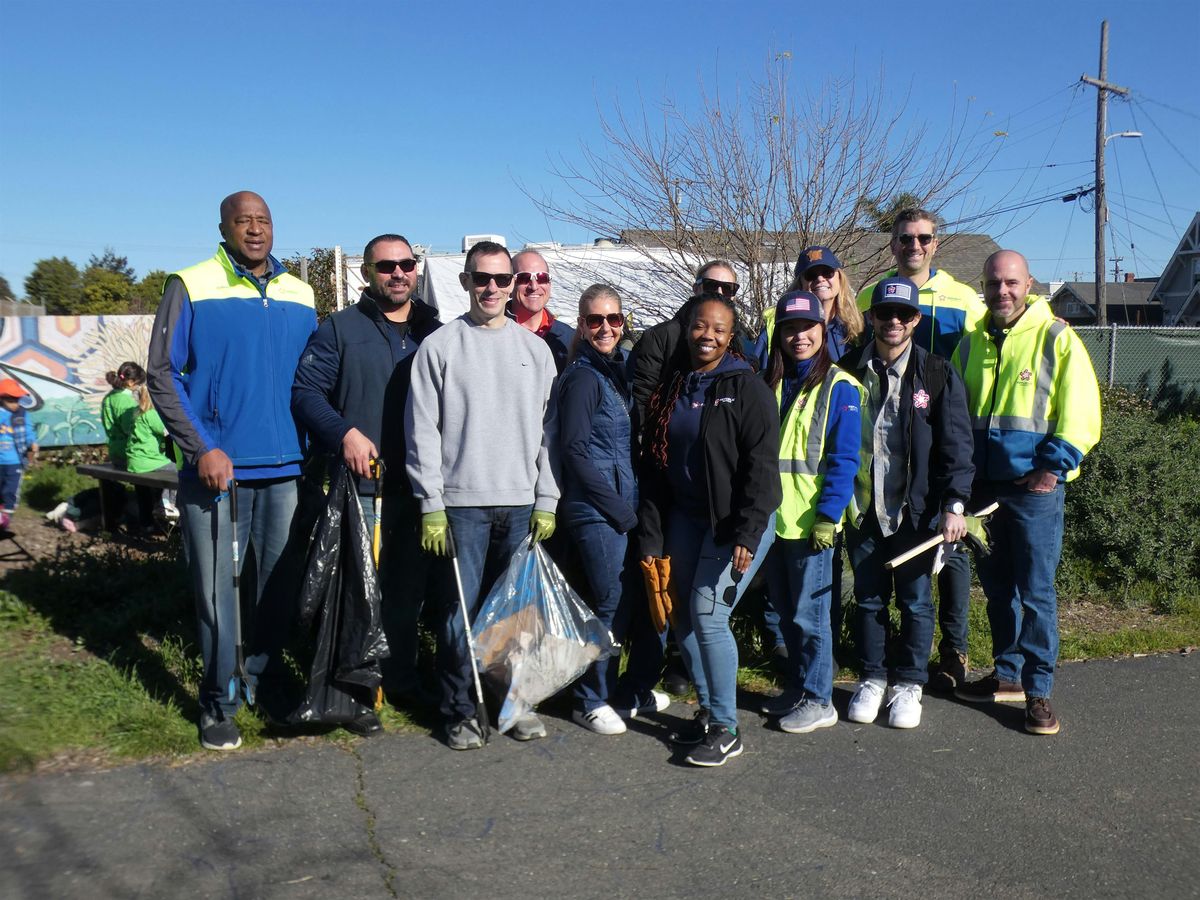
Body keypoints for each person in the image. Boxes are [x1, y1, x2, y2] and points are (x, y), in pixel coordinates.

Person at [147, 191, 317, 752]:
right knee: (217, 590)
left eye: (264, 219)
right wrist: (201, 449)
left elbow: (311, 381)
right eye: (243, 220)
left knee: (274, 587)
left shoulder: (301, 292)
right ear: (223, 227)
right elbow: (162, 374)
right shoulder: (190, 284)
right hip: (217, 469)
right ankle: (217, 701)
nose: (254, 229)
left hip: (286, 465)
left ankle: (263, 683)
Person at [405, 240, 560, 750]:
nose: (491, 287)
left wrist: (546, 499)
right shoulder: (440, 347)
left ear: (514, 284)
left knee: (515, 618)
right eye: (481, 278)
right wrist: (430, 504)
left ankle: (514, 707)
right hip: (461, 507)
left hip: (519, 506)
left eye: (501, 279)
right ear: (465, 281)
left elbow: (548, 435)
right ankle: (459, 711)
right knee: (458, 618)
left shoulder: (535, 352)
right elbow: (422, 430)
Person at [292, 233, 442, 724]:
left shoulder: (434, 332)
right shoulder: (339, 329)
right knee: (360, 596)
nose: (398, 274)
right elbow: (306, 393)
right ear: (367, 273)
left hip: (419, 488)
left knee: (406, 595)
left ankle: (400, 681)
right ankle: (355, 690)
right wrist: (345, 434)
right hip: (364, 489)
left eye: (406, 264)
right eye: (386, 267)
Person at [953, 251, 1101, 736]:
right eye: (994, 283)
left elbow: (1082, 414)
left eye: (1012, 283)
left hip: (1035, 491)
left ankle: (1039, 693)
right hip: (984, 488)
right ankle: (1007, 674)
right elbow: (957, 416)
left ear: (1029, 283)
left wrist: (1051, 470)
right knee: (997, 590)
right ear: (984, 285)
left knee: (1035, 592)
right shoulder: (971, 342)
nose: (1003, 292)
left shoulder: (1056, 336)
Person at [639, 293, 781, 767]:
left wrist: (749, 531)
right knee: (681, 614)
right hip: (685, 516)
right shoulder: (677, 383)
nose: (708, 336)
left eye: (720, 329)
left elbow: (762, 469)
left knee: (708, 614)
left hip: (734, 521)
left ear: (730, 335)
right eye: (701, 326)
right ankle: (708, 710)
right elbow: (658, 461)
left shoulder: (747, 388)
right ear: (687, 327)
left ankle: (725, 726)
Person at [856, 209, 988, 692]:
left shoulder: (962, 299)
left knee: (940, 576)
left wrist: (955, 496)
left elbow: (993, 332)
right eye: (905, 238)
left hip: (934, 467)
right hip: (881, 485)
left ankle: (950, 655)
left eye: (923, 237)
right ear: (892, 244)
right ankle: (877, 671)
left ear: (936, 243)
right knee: (875, 590)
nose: (914, 244)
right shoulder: (871, 298)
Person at [841, 277, 975, 729]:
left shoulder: (936, 373)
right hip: (862, 511)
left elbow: (956, 446)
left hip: (914, 513)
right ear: (871, 317)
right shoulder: (847, 370)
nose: (893, 322)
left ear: (916, 320)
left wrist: (954, 504)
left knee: (916, 603)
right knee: (869, 601)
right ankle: (873, 677)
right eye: (884, 313)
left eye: (903, 314)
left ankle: (909, 685)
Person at [630, 260, 747, 693]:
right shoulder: (661, 338)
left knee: (702, 600)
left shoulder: (739, 353)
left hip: (714, 490)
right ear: (696, 287)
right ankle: (650, 671)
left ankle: (700, 681)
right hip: (665, 478)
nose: (720, 292)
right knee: (663, 582)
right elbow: (642, 402)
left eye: (729, 289)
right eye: (712, 285)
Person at [557, 284, 667, 735]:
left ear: (625, 324)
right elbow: (575, 451)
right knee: (608, 602)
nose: (606, 328)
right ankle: (588, 698)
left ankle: (625, 691)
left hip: (624, 501)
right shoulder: (584, 376)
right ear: (581, 326)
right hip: (596, 509)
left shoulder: (617, 370)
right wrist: (621, 511)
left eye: (614, 320)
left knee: (632, 601)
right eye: (595, 320)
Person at [758, 291, 861, 734]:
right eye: (790, 328)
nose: (799, 336)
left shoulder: (841, 387)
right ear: (779, 333)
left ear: (823, 330)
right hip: (775, 522)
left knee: (811, 617)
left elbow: (844, 458)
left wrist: (829, 515)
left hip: (810, 523)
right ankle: (800, 687)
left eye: (808, 327)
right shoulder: (774, 381)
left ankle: (820, 699)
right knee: (786, 614)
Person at [753, 246, 865, 365]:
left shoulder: (857, 325)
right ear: (800, 282)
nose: (820, 279)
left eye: (827, 273)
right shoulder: (776, 323)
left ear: (839, 277)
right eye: (811, 275)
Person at [121, 364, 175, 530]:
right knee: (179, 471)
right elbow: (169, 432)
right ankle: (168, 502)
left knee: (145, 487)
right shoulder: (152, 415)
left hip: (133, 461)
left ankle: (148, 522)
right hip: (149, 461)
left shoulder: (135, 413)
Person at [508, 249, 574, 373]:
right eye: (524, 278)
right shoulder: (493, 335)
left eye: (542, 277)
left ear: (549, 284)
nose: (534, 286)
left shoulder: (569, 339)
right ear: (509, 285)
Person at [0, 378, 37, 531]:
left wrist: (32, 443)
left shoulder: (22, 413)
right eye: (12, 400)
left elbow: (28, 430)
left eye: (18, 399)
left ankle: (6, 521)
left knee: (10, 491)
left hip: (15, 461)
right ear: (2, 399)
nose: (16, 403)